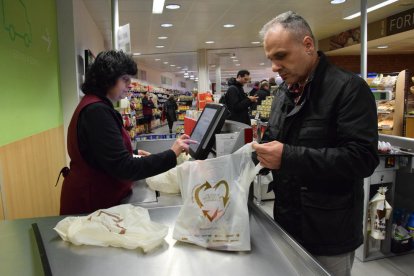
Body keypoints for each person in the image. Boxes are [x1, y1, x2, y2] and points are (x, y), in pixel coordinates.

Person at [252, 11, 379, 276]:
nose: (274, 67)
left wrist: (287, 157)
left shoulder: (349, 89)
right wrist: (250, 159)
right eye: (271, 58)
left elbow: (362, 158)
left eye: (281, 56)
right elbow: (273, 140)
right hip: (287, 222)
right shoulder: (284, 94)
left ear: (308, 45)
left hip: (329, 232)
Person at [60, 50, 195, 215]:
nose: (130, 84)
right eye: (125, 79)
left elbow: (100, 153)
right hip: (92, 205)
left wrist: (133, 152)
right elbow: (124, 168)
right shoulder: (97, 111)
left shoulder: (93, 105)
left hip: (95, 198)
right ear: (107, 79)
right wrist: (172, 154)